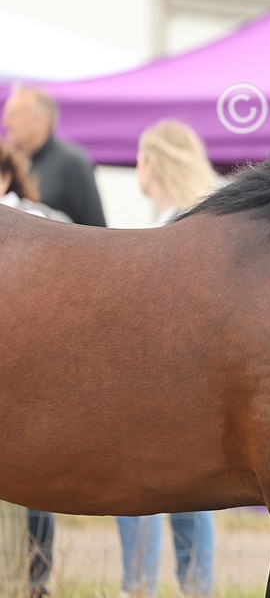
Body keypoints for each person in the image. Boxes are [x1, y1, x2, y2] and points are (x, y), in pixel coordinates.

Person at [3, 86, 105, 596]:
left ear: (41, 120)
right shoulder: (17, 163)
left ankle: (38, 575)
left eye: (15, 118)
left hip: (68, 316)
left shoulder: (72, 164)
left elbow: (101, 236)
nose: (8, 125)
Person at [115, 120, 219, 598]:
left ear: (151, 163)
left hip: (163, 382)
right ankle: (195, 587)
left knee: (136, 485)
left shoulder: (173, 226)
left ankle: (139, 587)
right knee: (189, 494)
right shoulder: (199, 220)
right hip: (196, 383)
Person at [2, 86, 106, 226]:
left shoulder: (71, 163)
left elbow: (97, 227)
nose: (5, 122)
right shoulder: (22, 163)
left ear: (41, 121)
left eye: (13, 114)